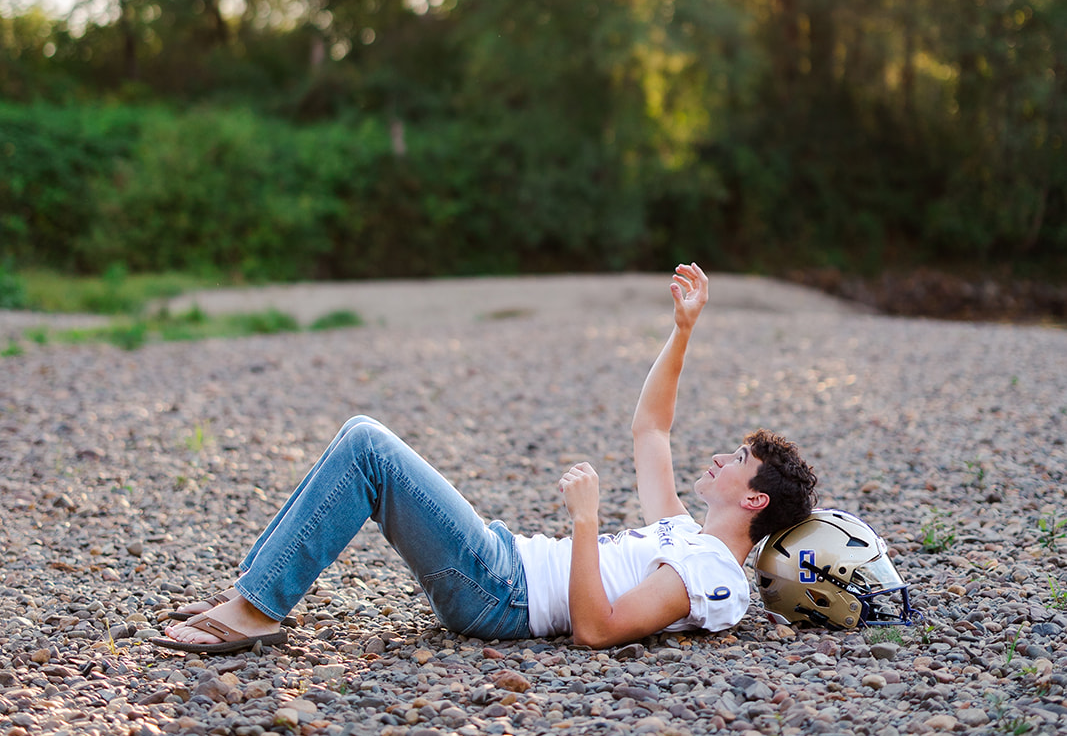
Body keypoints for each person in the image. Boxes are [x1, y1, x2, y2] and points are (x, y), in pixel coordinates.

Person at [155, 263, 818, 656]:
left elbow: (596, 630)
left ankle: (257, 610)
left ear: (753, 498)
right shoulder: (687, 535)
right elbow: (651, 429)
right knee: (361, 435)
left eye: (735, 458)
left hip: (501, 593)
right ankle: (254, 587)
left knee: (368, 447)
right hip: (501, 567)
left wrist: (584, 522)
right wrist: (682, 332)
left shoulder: (711, 572)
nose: (717, 458)